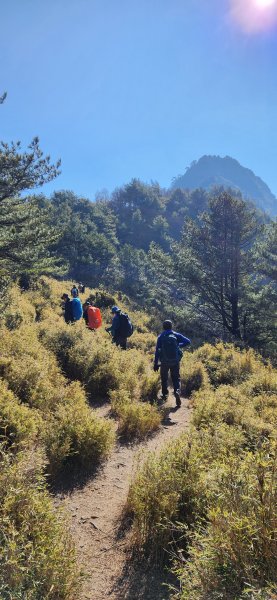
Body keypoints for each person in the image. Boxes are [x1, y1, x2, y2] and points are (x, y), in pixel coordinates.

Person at [154, 320, 191, 407]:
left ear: (163, 327)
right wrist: (178, 345)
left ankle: (164, 394)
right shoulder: (176, 335)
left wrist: (156, 363)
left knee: (164, 378)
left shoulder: (161, 336)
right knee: (176, 378)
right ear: (171, 326)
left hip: (164, 362)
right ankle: (177, 391)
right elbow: (188, 341)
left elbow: (157, 351)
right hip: (175, 361)